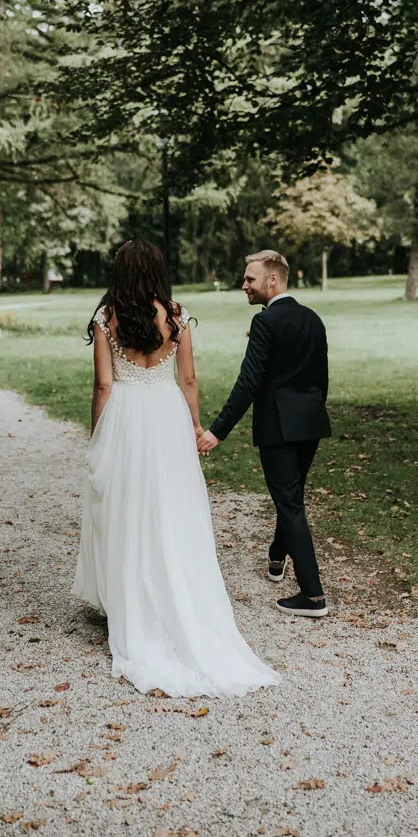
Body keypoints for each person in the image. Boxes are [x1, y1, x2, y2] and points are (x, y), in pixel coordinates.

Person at [72, 239, 279, 698]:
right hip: (166, 413)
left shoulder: (107, 318)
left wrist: (97, 433)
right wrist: (195, 425)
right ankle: (172, 592)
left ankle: (128, 601)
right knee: (171, 505)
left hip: (126, 416)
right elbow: (187, 379)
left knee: (124, 506)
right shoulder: (177, 315)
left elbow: (103, 384)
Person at [198, 250, 331, 619]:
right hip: (310, 423)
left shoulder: (266, 323)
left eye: (250, 279)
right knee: (292, 495)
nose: (244, 285)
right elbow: (321, 379)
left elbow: (248, 383)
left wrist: (217, 431)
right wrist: (313, 413)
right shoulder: (313, 319)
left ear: (272, 280)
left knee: (289, 503)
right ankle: (277, 557)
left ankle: (313, 595)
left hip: (278, 427)